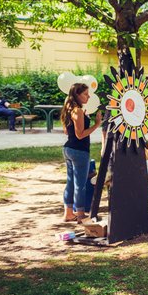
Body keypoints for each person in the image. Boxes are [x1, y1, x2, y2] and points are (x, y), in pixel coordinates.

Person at [60, 83, 102, 223]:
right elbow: (80, 135)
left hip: (68, 149)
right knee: (80, 184)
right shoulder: (77, 110)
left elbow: (67, 131)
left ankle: (68, 214)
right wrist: (96, 124)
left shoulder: (69, 109)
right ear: (77, 95)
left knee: (71, 182)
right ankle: (81, 214)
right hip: (79, 151)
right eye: (85, 94)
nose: (89, 96)